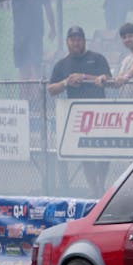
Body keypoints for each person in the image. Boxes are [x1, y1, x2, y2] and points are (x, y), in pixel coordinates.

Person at [48, 26, 114, 196]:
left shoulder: (97, 59)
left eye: (79, 39)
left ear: (84, 41)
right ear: (67, 42)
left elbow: (110, 79)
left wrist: (86, 78)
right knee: (86, 155)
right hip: (78, 118)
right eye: (72, 39)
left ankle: (101, 183)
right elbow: (51, 89)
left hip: (100, 114)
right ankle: (95, 189)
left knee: (105, 152)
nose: (76, 42)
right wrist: (66, 82)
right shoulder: (62, 64)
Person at [6, 0, 55, 82]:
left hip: (36, 31)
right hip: (20, 33)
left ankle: (38, 97)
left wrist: (52, 27)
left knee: (36, 65)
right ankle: (24, 100)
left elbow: (48, 6)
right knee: (23, 68)